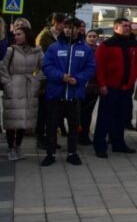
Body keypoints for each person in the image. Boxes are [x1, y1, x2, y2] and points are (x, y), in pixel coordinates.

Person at [41, 17, 95, 166]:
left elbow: (90, 68)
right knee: (51, 126)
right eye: (66, 27)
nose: (68, 30)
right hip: (55, 94)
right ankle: (50, 154)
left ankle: (72, 153)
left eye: (71, 27)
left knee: (74, 127)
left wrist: (77, 78)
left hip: (74, 95)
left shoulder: (85, 49)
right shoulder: (54, 47)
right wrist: (60, 76)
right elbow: (47, 66)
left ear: (78, 29)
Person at [93, 18, 137, 158]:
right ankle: (100, 146)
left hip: (126, 89)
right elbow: (99, 67)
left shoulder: (134, 45)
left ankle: (118, 144)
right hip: (109, 88)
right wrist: (102, 85)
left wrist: (132, 81)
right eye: (124, 26)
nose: (128, 28)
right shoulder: (106, 45)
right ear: (115, 28)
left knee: (120, 119)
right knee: (104, 118)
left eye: (129, 26)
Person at [0, 26, 43, 161]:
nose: (16, 37)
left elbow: (45, 67)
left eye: (19, 34)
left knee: (24, 120)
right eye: (15, 34)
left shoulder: (37, 51)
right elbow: (2, 68)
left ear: (27, 35)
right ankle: (11, 148)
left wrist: (36, 81)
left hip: (29, 87)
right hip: (13, 87)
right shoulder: (10, 50)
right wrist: (7, 84)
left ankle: (18, 146)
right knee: (12, 120)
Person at [34, 12, 66, 149]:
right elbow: (41, 58)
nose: (65, 27)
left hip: (57, 79)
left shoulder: (62, 37)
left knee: (53, 112)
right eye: (64, 23)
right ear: (56, 23)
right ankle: (40, 138)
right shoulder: (44, 36)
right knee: (43, 111)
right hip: (44, 79)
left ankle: (50, 137)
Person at [78, 28, 102, 146]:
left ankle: (84, 135)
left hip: (94, 86)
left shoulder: (99, 50)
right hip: (81, 85)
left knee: (88, 112)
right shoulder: (81, 49)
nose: (92, 38)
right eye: (90, 36)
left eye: (94, 36)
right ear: (86, 38)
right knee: (79, 112)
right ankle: (78, 134)